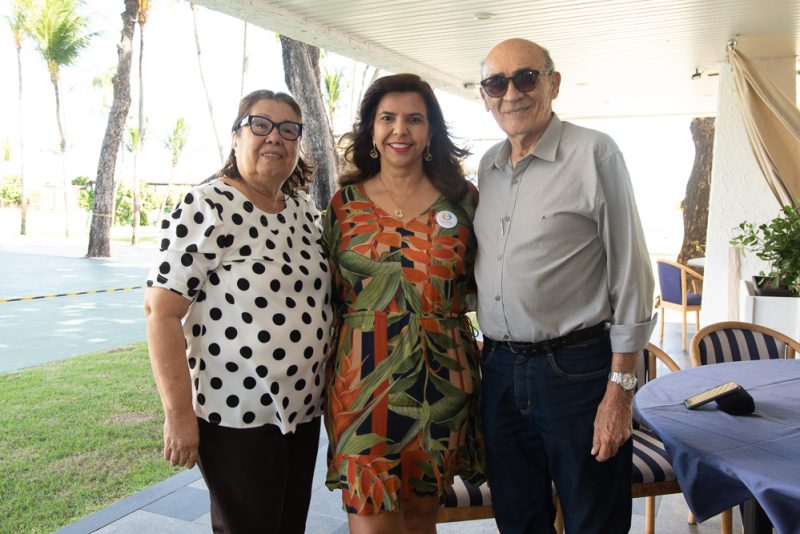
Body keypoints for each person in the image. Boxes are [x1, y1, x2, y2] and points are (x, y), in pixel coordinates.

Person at [474, 38, 655, 533]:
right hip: (500, 369)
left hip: (576, 370)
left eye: (525, 78)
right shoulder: (488, 167)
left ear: (553, 83)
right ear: (485, 96)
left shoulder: (594, 152)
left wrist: (621, 392)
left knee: (593, 519)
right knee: (518, 520)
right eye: (496, 83)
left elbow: (632, 273)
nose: (512, 93)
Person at [144, 89, 332, 534]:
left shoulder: (303, 210)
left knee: (288, 526)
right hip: (237, 415)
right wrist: (178, 415)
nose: (275, 137)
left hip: (303, 413)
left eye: (289, 130)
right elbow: (160, 312)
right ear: (235, 137)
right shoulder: (207, 205)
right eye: (260, 125)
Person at [323, 73, 485, 534]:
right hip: (361, 383)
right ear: (372, 130)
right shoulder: (344, 204)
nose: (400, 130)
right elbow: (329, 293)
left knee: (419, 521)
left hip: (442, 382)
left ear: (431, 131)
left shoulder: (465, 201)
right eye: (387, 118)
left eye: (414, 119)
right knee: (370, 521)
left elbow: (486, 283)